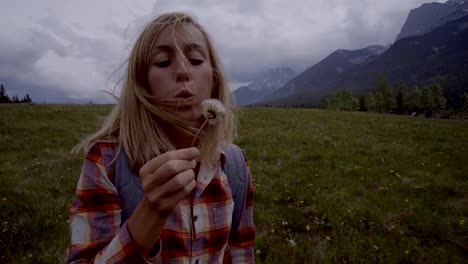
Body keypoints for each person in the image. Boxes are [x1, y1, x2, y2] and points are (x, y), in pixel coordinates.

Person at [67, 12, 255, 263]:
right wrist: (150, 212)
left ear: (214, 78)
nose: (183, 71)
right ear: (143, 84)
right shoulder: (107, 162)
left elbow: (241, 252)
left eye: (196, 60)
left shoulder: (234, 166)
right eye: (164, 62)